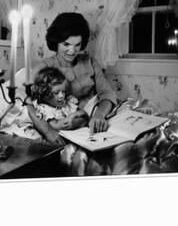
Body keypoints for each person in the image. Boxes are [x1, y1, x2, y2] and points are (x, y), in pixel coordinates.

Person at [28, 12, 117, 146]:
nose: (72, 51)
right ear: (56, 41)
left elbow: (107, 93)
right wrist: (47, 131)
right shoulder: (43, 68)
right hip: (72, 125)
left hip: (97, 115)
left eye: (77, 45)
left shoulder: (91, 62)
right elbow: (27, 102)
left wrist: (99, 115)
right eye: (66, 44)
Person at [31, 67, 90, 169]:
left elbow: (84, 114)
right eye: (56, 92)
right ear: (45, 94)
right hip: (62, 144)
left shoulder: (66, 104)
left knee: (83, 155)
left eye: (63, 91)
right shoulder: (43, 109)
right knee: (69, 153)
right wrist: (73, 117)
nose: (61, 96)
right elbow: (58, 125)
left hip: (77, 139)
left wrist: (75, 115)